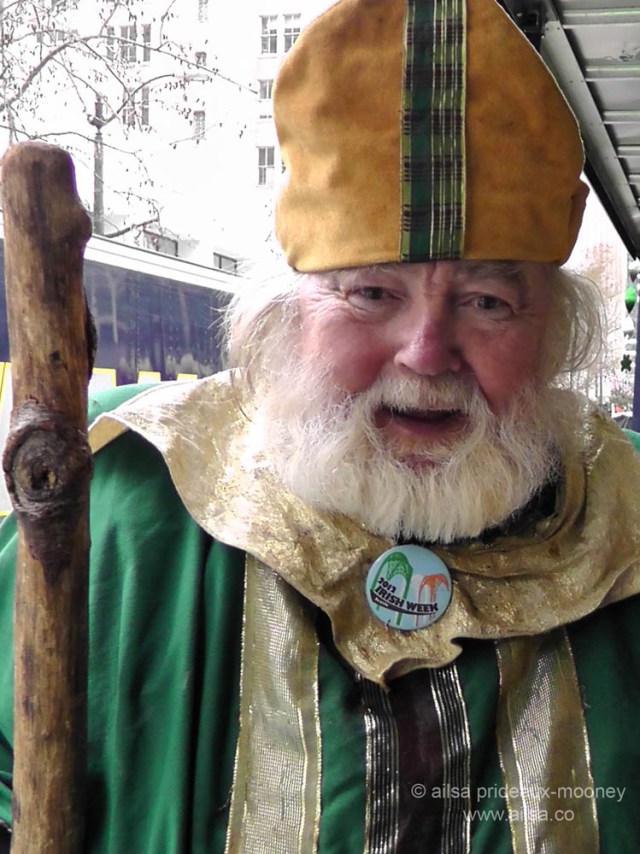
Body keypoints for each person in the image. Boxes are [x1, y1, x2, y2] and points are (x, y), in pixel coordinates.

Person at [1, 0, 640, 851]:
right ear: (281, 317)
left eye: (487, 302)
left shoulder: (628, 526)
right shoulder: (117, 499)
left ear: (556, 334)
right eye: (371, 293)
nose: (426, 352)